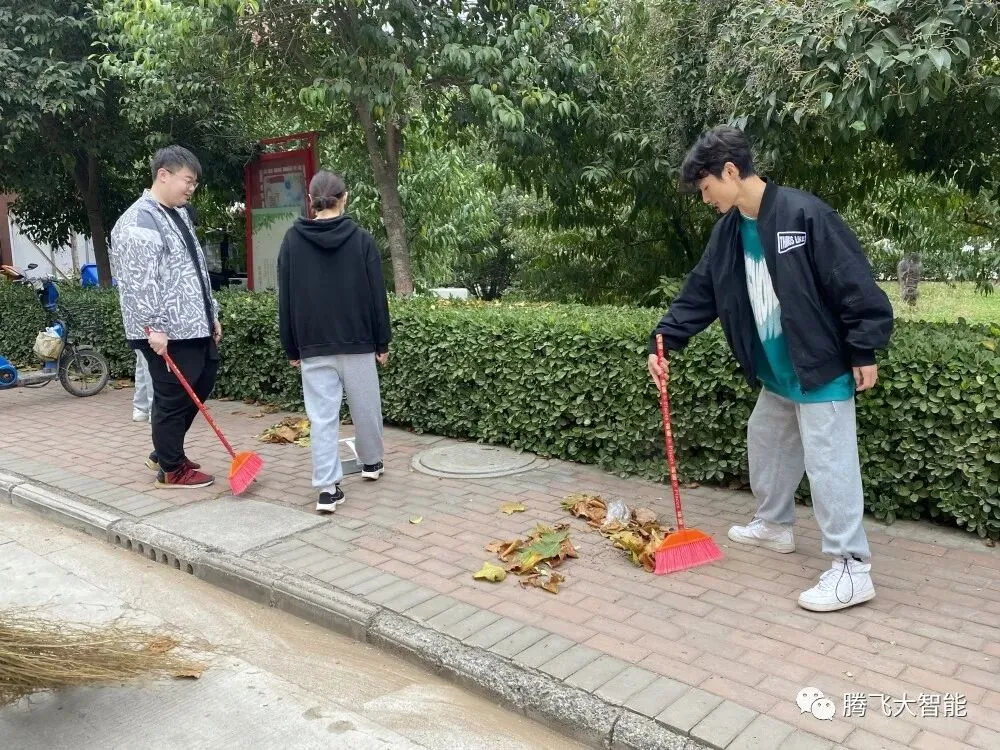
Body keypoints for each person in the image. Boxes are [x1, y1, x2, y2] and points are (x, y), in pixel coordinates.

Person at [647, 126, 893, 612]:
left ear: (731, 172)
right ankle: (775, 525)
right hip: (777, 373)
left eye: (706, 188)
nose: (705, 199)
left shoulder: (805, 215)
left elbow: (852, 281)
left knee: (830, 465)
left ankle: (851, 567)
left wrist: (865, 348)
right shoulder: (729, 233)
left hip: (819, 369)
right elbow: (701, 293)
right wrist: (664, 341)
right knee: (767, 439)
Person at [278, 170, 391, 513]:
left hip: (313, 344)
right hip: (358, 341)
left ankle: (327, 490)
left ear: (310, 201)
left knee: (322, 418)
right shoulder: (362, 240)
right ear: (345, 198)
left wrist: (291, 346)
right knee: (366, 406)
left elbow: (286, 298)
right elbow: (377, 297)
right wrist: (382, 343)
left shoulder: (292, 241)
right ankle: (371, 463)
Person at [110, 146, 221, 489]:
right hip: (166, 331)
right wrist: (153, 327)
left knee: (202, 382)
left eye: (194, 183)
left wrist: (211, 314)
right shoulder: (139, 220)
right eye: (188, 180)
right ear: (164, 175)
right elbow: (138, 281)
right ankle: (172, 468)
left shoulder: (178, 214)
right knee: (173, 396)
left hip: (194, 325)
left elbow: (195, 270)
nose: (192, 188)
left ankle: (165, 449)